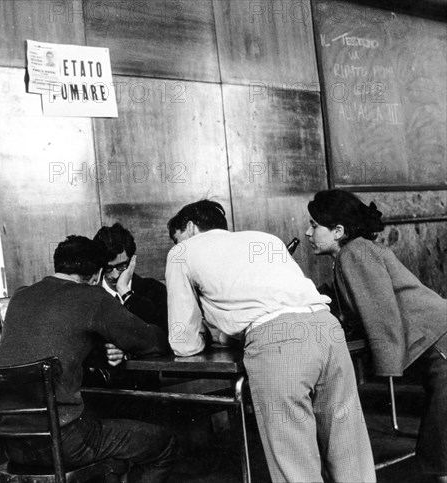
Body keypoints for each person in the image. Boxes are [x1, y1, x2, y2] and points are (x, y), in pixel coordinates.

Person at [165, 199, 376, 483]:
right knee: (349, 450)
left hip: (278, 343)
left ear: (188, 228)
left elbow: (183, 342)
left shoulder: (182, 252)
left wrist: (211, 335)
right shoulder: (263, 239)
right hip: (327, 329)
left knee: (296, 463)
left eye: (175, 238)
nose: (175, 245)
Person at [0, 235, 176, 482]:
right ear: (97, 275)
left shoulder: (20, 296)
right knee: (162, 443)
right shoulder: (92, 296)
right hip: (64, 442)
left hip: (12, 443)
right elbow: (151, 342)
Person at [306, 189, 447, 483]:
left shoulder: (354, 253)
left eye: (314, 225)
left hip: (435, 334)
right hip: (433, 330)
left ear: (338, 230)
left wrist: (384, 368)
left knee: (443, 409)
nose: (308, 232)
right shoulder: (355, 251)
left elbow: (380, 312)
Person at [94, 223, 167, 331]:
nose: (115, 275)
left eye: (122, 266)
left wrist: (125, 291)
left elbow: (163, 333)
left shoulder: (154, 289)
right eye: (108, 268)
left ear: (133, 260)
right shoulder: (90, 294)